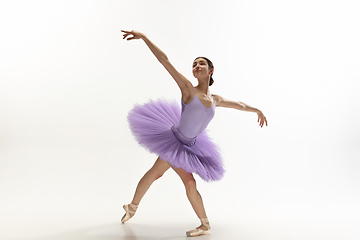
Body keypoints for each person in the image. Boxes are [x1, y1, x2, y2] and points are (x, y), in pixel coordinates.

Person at [120, 30, 267, 237]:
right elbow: (165, 61)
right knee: (183, 181)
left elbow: (240, 104)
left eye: (201, 63)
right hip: (175, 141)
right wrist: (144, 38)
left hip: (191, 145)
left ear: (211, 70)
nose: (196, 66)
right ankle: (204, 225)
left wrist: (256, 110)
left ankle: (132, 207)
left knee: (156, 173)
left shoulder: (216, 99)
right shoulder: (188, 89)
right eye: (194, 64)